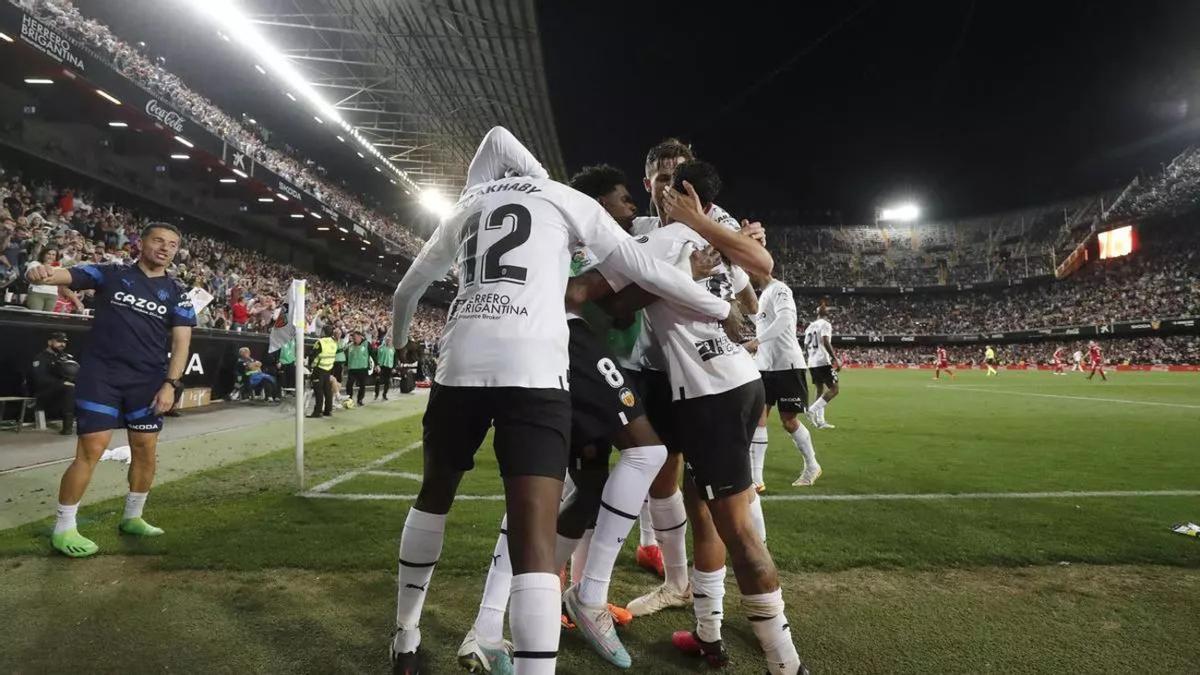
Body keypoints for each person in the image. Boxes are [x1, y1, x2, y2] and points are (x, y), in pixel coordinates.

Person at [388, 127, 737, 675]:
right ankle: (581, 598)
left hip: (462, 364)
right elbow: (637, 273)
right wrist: (718, 308)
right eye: (629, 194)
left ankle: (408, 636)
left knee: (436, 497)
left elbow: (405, 291)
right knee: (540, 527)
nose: (632, 202)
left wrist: (398, 340)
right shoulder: (568, 200)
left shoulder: (467, 207)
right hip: (541, 364)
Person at [611, 160, 807, 674]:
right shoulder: (717, 239)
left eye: (665, 184)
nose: (654, 190)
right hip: (738, 381)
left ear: (682, 193)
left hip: (708, 394)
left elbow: (613, 301)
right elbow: (756, 275)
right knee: (701, 503)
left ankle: (786, 665)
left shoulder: (664, 241)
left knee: (738, 532)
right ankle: (709, 635)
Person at [622, 141, 770, 621]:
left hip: (706, 377)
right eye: (661, 177)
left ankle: (735, 594)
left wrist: (744, 318)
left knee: (718, 494)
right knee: (665, 480)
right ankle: (679, 584)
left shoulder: (712, 217)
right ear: (647, 183)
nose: (670, 184)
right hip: (654, 370)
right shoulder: (637, 229)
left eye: (679, 175)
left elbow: (757, 276)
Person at [25, 222, 195, 558]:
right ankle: (64, 528)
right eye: (158, 241)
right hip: (101, 376)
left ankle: (133, 517)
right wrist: (41, 273)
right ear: (141, 242)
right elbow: (64, 276)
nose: (164, 248)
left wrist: (170, 385)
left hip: (147, 381)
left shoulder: (178, 292)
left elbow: (181, 343)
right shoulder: (110, 273)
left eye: (172, 245)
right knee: (91, 449)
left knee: (146, 450)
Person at [745, 269, 820, 505]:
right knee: (758, 418)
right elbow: (762, 322)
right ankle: (756, 479)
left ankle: (812, 466)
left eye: (750, 271)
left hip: (788, 365)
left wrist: (757, 341)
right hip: (764, 367)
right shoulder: (764, 295)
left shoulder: (780, 289)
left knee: (789, 422)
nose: (748, 275)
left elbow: (786, 320)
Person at [29, 331, 78, 435]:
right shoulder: (41, 357)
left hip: (63, 390)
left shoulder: (66, 357)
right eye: (59, 341)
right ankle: (67, 427)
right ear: (50, 342)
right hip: (44, 392)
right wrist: (62, 383)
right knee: (69, 388)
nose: (62, 344)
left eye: (64, 342)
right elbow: (40, 379)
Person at [803, 305, 840, 430]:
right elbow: (825, 340)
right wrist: (835, 358)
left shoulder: (809, 327)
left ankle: (820, 421)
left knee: (819, 389)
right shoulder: (825, 324)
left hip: (812, 362)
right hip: (822, 361)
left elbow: (805, 346)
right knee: (834, 389)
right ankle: (811, 411)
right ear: (826, 313)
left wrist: (809, 359)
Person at [307, 325, 337, 418]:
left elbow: (313, 355)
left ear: (323, 332)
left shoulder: (320, 342)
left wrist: (311, 366)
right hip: (328, 369)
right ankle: (328, 410)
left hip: (319, 369)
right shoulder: (334, 342)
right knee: (327, 390)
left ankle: (317, 412)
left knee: (318, 391)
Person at [24, 247, 60, 311]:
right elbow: (31, 278)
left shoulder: (58, 267)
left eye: (53, 255)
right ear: (43, 254)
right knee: (36, 316)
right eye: (48, 254)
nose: (50, 256)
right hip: (37, 292)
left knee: (47, 318)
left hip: (52, 295)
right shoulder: (35, 263)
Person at [345, 330, 372, 406]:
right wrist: (346, 364)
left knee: (362, 385)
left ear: (360, 337)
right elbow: (346, 356)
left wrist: (377, 365)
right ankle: (349, 399)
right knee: (349, 385)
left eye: (355, 337)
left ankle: (360, 399)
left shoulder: (366, 344)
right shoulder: (349, 345)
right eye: (353, 337)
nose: (354, 339)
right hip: (352, 368)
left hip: (362, 368)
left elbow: (372, 354)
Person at [374, 336, 395, 400]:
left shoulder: (393, 349)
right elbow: (376, 357)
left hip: (389, 367)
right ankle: (376, 394)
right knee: (378, 380)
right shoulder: (380, 348)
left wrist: (394, 367)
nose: (388, 341)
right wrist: (376, 365)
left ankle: (384, 394)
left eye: (389, 340)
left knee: (387, 382)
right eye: (387, 340)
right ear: (385, 341)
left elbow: (395, 359)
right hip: (381, 366)